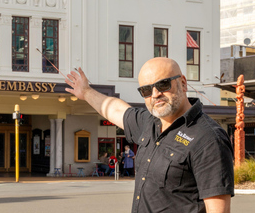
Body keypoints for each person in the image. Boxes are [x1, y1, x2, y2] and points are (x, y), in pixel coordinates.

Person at [65, 58, 234, 213]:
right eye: (146, 90)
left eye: (163, 84)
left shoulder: (209, 139)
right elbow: (116, 109)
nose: (155, 94)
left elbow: (218, 210)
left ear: (183, 83)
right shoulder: (149, 122)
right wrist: (86, 92)